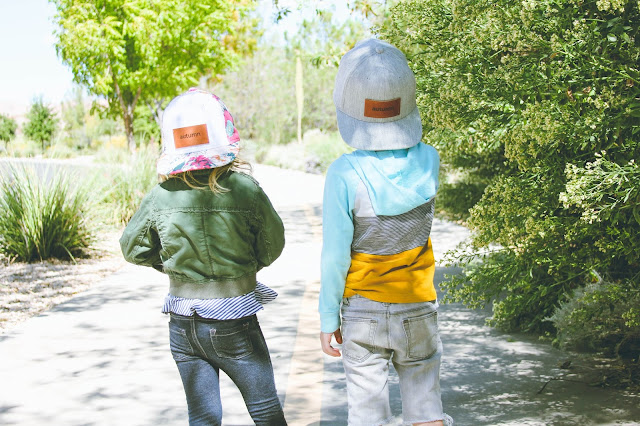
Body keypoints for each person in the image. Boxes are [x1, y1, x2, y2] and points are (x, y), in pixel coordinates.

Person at [120, 88, 287, 425]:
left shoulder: (160, 196)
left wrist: (172, 266)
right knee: (265, 409)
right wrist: (245, 265)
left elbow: (132, 248)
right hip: (233, 320)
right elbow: (273, 245)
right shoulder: (244, 189)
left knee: (202, 417)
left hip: (183, 323)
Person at [319, 39, 453, 426]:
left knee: (368, 415)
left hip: (363, 312)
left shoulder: (344, 174)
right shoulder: (429, 159)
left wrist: (328, 317)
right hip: (418, 304)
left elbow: (335, 257)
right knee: (427, 408)